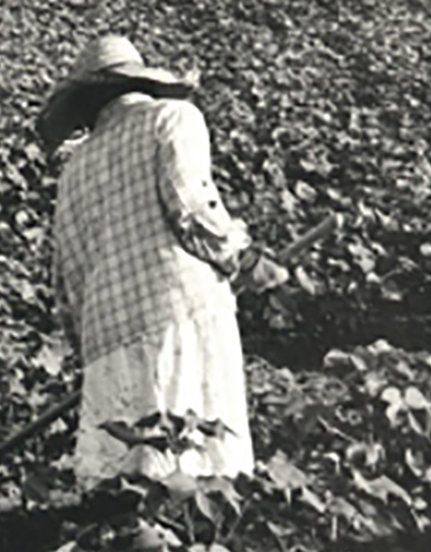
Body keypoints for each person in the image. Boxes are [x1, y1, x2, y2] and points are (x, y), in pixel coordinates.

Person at [37, 34, 289, 489]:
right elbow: (193, 210)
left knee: (122, 484)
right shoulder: (172, 118)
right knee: (198, 464)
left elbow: (67, 277)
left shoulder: (73, 169)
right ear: (141, 82)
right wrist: (246, 260)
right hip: (178, 315)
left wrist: (88, 352)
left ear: (89, 101)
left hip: (105, 332)